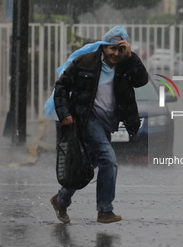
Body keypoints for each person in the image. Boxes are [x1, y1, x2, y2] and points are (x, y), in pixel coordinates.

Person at [50, 26, 149, 224]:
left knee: (85, 166)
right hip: (87, 120)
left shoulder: (126, 65)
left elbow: (142, 80)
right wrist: (65, 113)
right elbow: (61, 86)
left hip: (107, 125)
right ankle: (105, 210)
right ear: (103, 47)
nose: (116, 53)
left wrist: (131, 57)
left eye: (120, 49)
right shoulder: (85, 63)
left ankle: (61, 199)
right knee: (109, 160)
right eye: (112, 48)